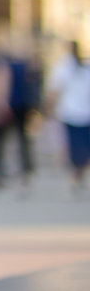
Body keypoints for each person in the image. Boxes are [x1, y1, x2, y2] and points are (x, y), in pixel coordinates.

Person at [0, 26, 39, 191]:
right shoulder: (24, 62)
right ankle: (25, 174)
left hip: (7, 105)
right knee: (22, 139)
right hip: (23, 105)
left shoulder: (0, 61)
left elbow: (1, 84)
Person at [45, 40, 90, 194]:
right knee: (83, 145)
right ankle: (78, 174)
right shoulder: (83, 68)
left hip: (70, 112)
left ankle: (76, 174)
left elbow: (55, 90)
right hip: (82, 113)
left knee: (74, 146)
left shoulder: (64, 67)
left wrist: (49, 107)